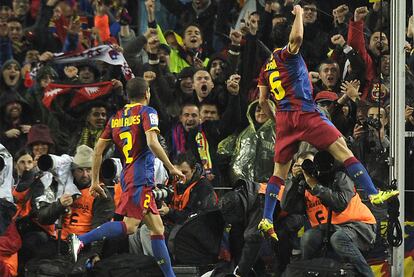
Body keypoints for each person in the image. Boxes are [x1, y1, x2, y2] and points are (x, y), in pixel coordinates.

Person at [257, 5, 398, 241]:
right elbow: (298, 37)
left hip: (283, 119)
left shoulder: (265, 67)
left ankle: (267, 218)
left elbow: (262, 102)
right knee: (342, 148)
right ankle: (373, 194)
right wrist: (299, 13)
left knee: (278, 173)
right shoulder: (287, 55)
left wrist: (277, 122)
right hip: (304, 112)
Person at [68, 77, 185, 277]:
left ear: (127, 95)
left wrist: (96, 181)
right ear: (147, 92)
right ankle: (82, 239)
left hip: (129, 176)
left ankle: (169, 275)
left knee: (157, 229)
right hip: (141, 177)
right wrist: (171, 167)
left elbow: (98, 150)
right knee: (130, 226)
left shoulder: (116, 117)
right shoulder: (148, 112)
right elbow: (152, 142)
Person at [291, 151, 376, 277]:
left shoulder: (340, 177)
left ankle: (367, 275)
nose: (307, 168)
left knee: (338, 238)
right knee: (308, 238)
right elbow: (288, 206)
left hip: (359, 226)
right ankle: (309, 272)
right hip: (328, 229)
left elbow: (339, 205)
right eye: (302, 166)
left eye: (310, 163)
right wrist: (293, 180)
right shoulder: (303, 185)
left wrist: (315, 185)